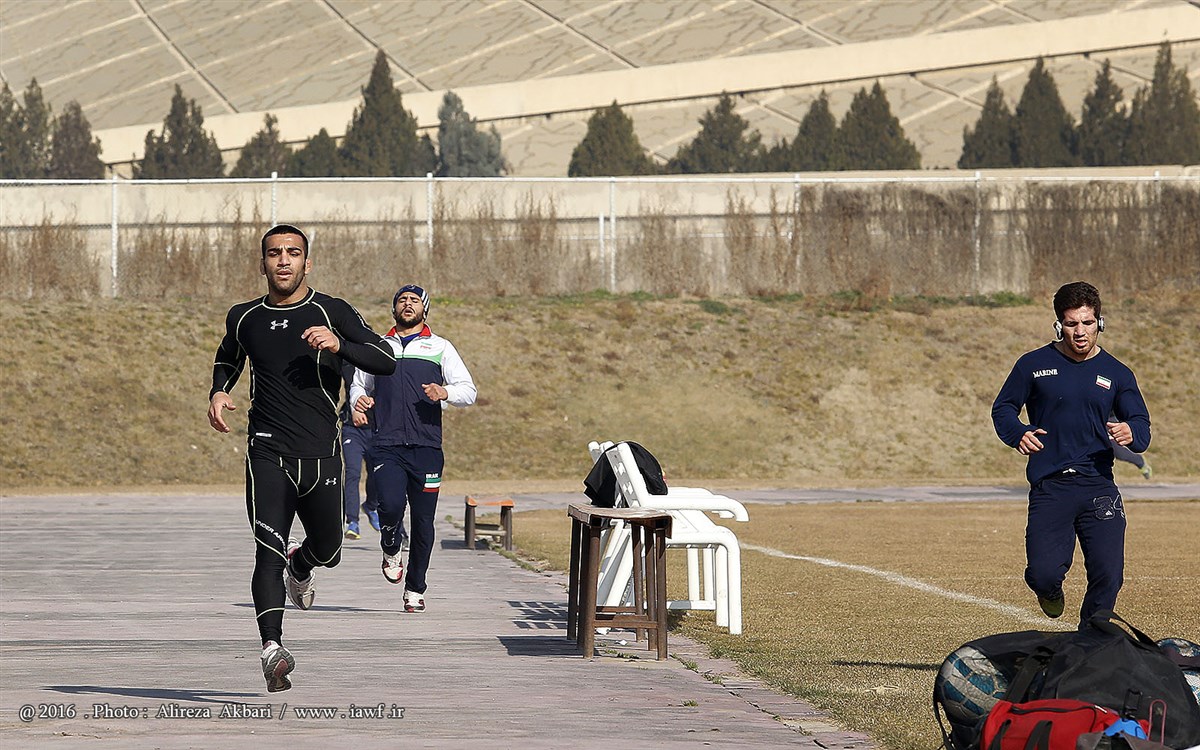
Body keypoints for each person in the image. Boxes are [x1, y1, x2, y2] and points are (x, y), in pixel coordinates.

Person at [207, 224, 395, 692]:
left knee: (329, 550)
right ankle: (272, 648)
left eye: (293, 253)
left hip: (322, 453)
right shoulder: (244, 316)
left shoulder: (331, 311)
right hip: (267, 452)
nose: (283, 260)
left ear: (307, 263)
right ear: (263, 263)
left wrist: (340, 345)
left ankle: (302, 565)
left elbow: (386, 358)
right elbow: (228, 357)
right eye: (275, 253)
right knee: (266, 550)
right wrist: (218, 391)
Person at [991, 281, 1151, 627]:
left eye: (1087, 323)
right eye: (1071, 323)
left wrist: (1132, 432)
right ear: (1058, 325)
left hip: (1098, 485)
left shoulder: (1118, 373)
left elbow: (1141, 425)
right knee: (1043, 573)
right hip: (1051, 486)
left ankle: (1091, 640)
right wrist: (1018, 433)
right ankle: (1048, 591)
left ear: (1100, 323)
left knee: (1109, 573)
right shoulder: (1032, 365)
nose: (1080, 332)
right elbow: (1003, 408)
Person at [350, 284, 476, 613]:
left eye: (414, 300)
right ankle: (391, 546)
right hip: (386, 445)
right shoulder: (379, 347)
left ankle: (415, 588)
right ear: (394, 309)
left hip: (427, 448)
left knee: (423, 521)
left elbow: (468, 390)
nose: (408, 304)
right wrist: (358, 401)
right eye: (402, 300)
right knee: (390, 505)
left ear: (425, 309)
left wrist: (445, 392)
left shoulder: (441, 347)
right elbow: (359, 385)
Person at [339, 360, 382, 540]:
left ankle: (371, 506)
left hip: (376, 429)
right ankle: (352, 521)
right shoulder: (346, 363)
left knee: (377, 473)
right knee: (352, 473)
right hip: (352, 428)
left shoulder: (380, 362)